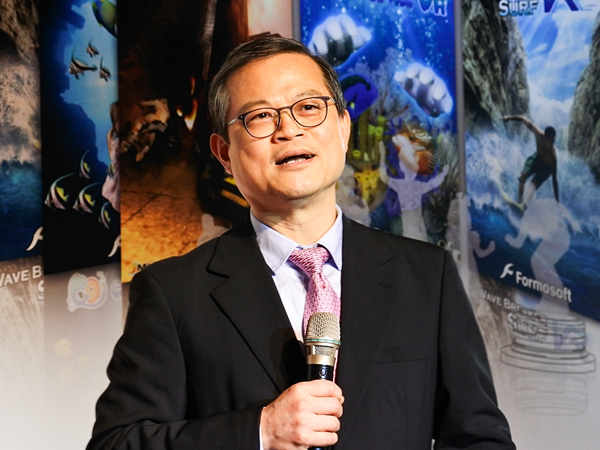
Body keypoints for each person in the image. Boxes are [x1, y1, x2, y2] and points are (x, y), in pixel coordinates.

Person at [87, 36, 515, 450]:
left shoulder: (427, 277)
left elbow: (480, 438)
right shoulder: (174, 294)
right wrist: (259, 433)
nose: (289, 130)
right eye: (260, 116)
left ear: (343, 128)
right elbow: (115, 442)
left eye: (309, 107)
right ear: (223, 153)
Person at [502, 115, 559, 206]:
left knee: (533, 184)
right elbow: (523, 119)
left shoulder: (552, 156)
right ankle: (518, 203)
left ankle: (524, 206)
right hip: (537, 159)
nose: (552, 144)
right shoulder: (539, 135)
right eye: (550, 141)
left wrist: (557, 201)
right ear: (545, 137)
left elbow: (554, 180)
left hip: (546, 169)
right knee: (523, 176)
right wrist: (509, 118)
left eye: (553, 141)